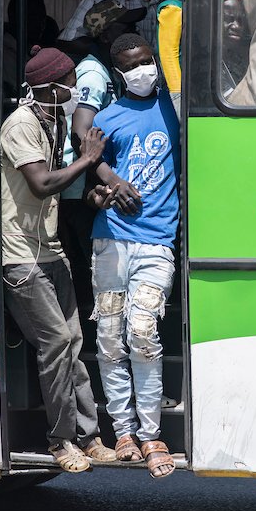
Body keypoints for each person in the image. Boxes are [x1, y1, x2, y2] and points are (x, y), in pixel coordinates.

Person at [0, 45, 119, 472]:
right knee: (55, 343)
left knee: (74, 341)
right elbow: (40, 183)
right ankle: (60, 440)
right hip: (20, 256)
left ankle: (88, 436)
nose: (75, 90)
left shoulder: (54, 121)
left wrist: (93, 195)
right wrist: (89, 159)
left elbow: (62, 186)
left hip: (49, 248)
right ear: (49, 88)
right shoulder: (20, 125)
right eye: (70, 84)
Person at [87, 32, 180, 479]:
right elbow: (89, 157)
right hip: (110, 240)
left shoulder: (175, 109)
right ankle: (123, 432)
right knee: (109, 337)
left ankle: (151, 434)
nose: (145, 70)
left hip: (157, 238)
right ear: (119, 74)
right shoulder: (108, 117)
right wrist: (110, 182)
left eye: (149, 61)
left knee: (142, 332)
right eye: (134, 65)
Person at [59, 0, 143, 317]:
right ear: (106, 35)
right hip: (78, 186)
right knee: (85, 267)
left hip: (84, 182)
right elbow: (82, 131)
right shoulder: (94, 73)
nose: (133, 30)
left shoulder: (104, 68)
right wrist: (111, 178)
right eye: (126, 26)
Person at [220, 0, 250, 97]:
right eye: (229, 19)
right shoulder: (207, 62)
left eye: (240, 20)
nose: (236, 26)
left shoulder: (248, 57)